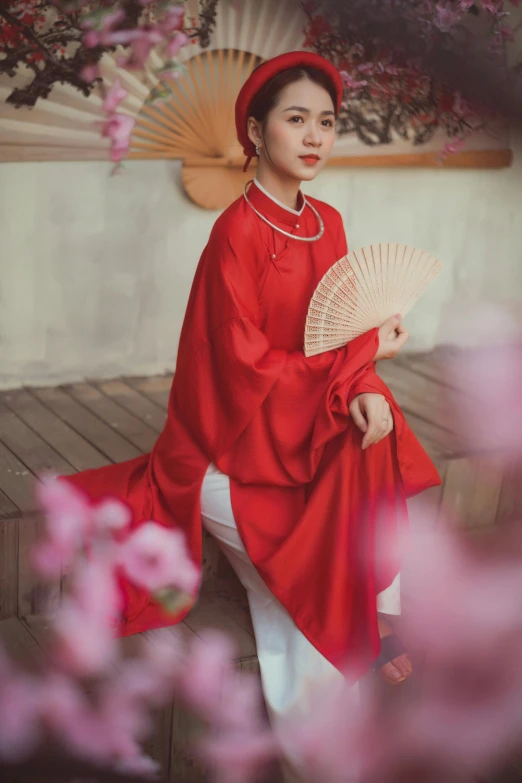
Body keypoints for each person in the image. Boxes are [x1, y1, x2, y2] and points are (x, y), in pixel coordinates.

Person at [65, 50, 440, 741]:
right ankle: (340, 712)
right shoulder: (232, 234)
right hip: (229, 445)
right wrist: (362, 357)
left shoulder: (329, 223)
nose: (313, 137)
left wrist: (361, 383)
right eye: (295, 119)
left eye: (325, 122)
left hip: (299, 425)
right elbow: (242, 371)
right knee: (309, 576)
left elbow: (340, 342)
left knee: (376, 426)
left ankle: (379, 620)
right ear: (257, 130)